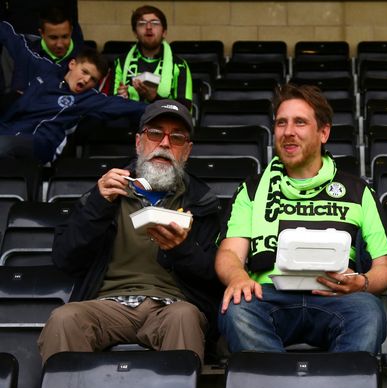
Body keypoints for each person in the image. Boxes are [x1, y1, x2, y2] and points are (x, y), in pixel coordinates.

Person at [38, 99, 223, 363]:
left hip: (170, 307)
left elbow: (215, 278)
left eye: (177, 137)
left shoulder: (203, 202)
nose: (165, 144)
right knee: (64, 319)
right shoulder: (106, 190)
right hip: (106, 305)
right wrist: (98, 205)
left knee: (184, 316)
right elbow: (66, 257)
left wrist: (182, 249)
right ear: (138, 142)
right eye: (155, 133)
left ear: (187, 151)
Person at [216, 83, 387, 354]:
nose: (288, 132)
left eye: (300, 123)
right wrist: (238, 277)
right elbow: (229, 253)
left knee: (369, 312)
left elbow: (384, 267)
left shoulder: (358, 191)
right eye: (281, 123)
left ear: (323, 132)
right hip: (268, 296)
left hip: (338, 297)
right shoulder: (251, 190)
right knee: (237, 309)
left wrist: (363, 282)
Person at [0, 20, 145, 164]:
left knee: (4, 145)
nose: (87, 79)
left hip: (41, 144)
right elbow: (16, 43)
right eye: (84, 72)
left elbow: (128, 106)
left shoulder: (89, 98)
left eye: (93, 79)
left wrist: (165, 107)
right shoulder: (45, 70)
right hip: (8, 130)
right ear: (72, 64)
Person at [102, 5, 192, 108]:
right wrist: (119, 98)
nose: (148, 27)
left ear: (164, 32)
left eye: (155, 23)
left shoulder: (179, 65)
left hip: (163, 121)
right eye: (142, 23)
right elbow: (109, 106)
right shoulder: (120, 63)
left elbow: (184, 108)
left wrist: (154, 97)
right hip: (129, 120)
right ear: (135, 32)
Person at [9, 6, 84, 95]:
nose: (60, 44)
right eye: (53, 38)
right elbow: (18, 96)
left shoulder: (85, 57)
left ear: (71, 31)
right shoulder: (26, 54)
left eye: (65, 36)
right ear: (42, 33)